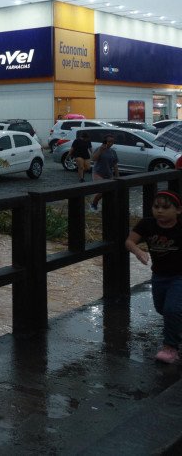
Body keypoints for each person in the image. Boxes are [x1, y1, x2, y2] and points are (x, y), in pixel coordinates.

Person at [125, 190, 182, 364]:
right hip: (159, 275)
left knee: (172, 309)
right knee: (162, 309)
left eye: (165, 207)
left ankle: (170, 348)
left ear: (178, 210)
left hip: (179, 276)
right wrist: (138, 251)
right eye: (156, 207)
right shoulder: (147, 224)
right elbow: (129, 241)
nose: (160, 211)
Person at [90, 134, 119, 210]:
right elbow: (93, 159)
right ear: (105, 141)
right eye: (109, 141)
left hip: (108, 174)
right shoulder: (99, 149)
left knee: (110, 192)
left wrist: (117, 176)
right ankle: (94, 204)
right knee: (102, 191)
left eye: (112, 141)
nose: (110, 143)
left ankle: (108, 207)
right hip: (98, 172)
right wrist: (100, 151)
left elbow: (115, 165)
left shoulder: (113, 152)